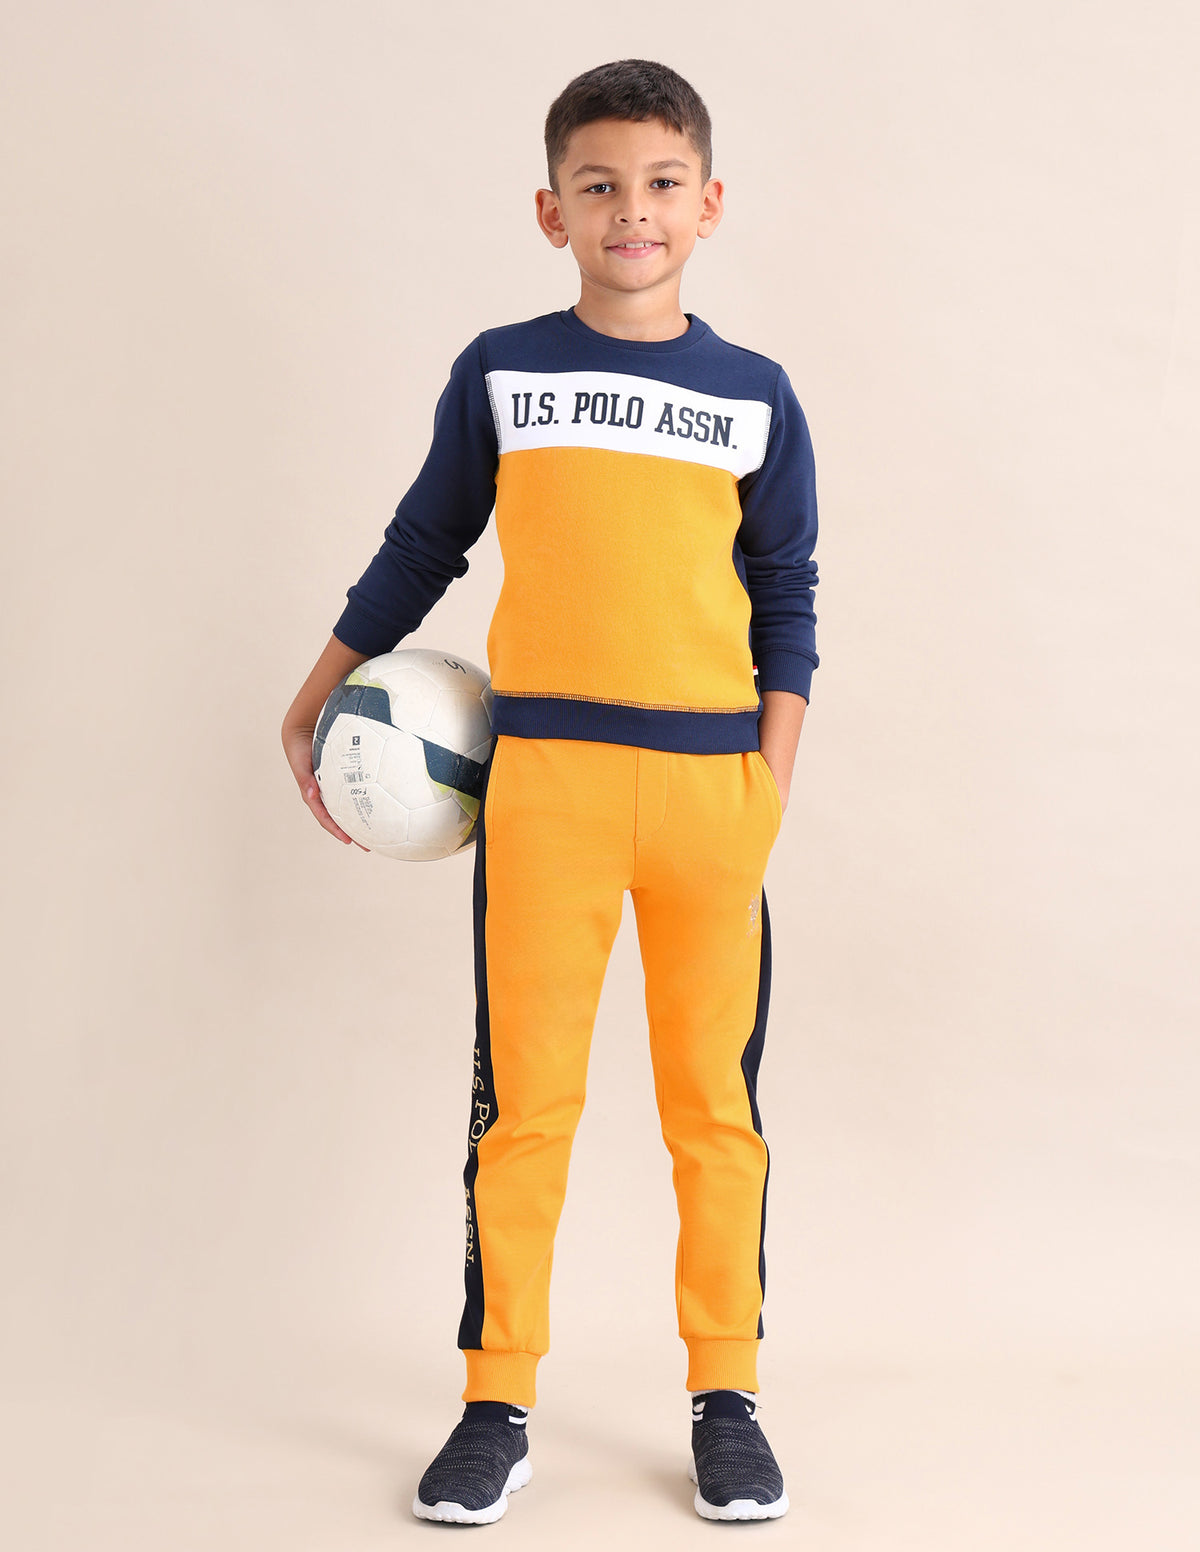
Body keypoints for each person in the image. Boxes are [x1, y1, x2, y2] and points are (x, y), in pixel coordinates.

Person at [281, 58, 819, 1525]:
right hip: (547, 799)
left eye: (660, 184)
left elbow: (786, 593)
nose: (631, 210)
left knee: (715, 1112)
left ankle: (727, 1397)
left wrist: (768, 783)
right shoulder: (502, 374)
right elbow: (425, 541)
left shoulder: (757, 397)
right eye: (598, 185)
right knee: (523, 1109)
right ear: (551, 210)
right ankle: (495, 1401)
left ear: (708, 204)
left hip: (713, 804)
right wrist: (323, 686)